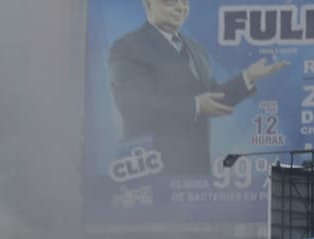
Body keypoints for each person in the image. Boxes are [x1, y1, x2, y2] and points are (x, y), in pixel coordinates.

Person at [107, 0, 288, 174]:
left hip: (196, 174)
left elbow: (213, 98)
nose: (180, 7)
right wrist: (194, 105)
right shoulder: (128, 47)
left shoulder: (196, 50)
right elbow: (132, 104)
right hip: (153, 171)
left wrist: (248, 76)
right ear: (148, 3)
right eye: (170, 1)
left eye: (185, 1)